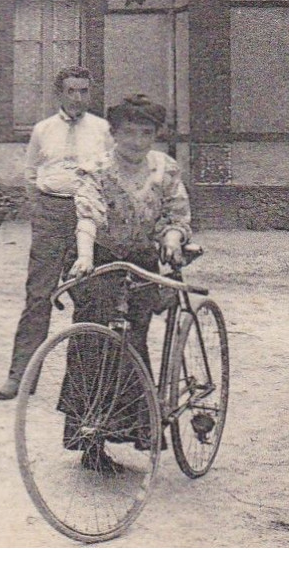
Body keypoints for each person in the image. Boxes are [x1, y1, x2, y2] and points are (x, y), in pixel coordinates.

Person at [63, 95, 192, 472]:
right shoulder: (97, 169)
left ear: (156, 135)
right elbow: (87, 216)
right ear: (114, 133)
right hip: (100, 260)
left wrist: (171, 237)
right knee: (91, 343)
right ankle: (90, 441)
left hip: (142, 264)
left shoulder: (165, 169)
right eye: (129, 133)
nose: (137, 141)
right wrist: (84, 257)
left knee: (132, 343)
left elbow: (176, 214)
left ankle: (137, 431)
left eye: (146, 133)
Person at [0, 65, 113, 401]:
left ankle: (86, 384)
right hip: (50, 213)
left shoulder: (102, 130)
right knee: (38, 295)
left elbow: (111, 174)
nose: (78, 98)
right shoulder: (42, 130)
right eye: (71, 91)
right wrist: (42, 210)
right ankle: (21, 377)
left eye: (84, 91)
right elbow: (31, 175)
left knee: (89, 296)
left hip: (88, 215)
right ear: (59, 94)